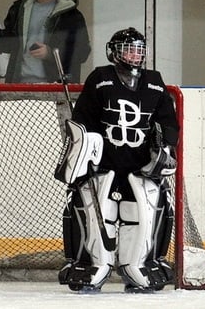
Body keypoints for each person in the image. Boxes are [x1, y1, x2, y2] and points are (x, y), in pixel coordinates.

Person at [54, 28, 180, 293]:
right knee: (96, 209)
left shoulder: (155, 82)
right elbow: (83, 121)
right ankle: (92, 265)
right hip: (105, 165)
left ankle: (140, 266)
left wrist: (165, 148)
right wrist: (83, 155)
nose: (134, 55)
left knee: (144, 215)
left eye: (139, 50)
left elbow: (168, 123)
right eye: (128, 49)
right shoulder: (100, 78)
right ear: (114, 51)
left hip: (141, 167)